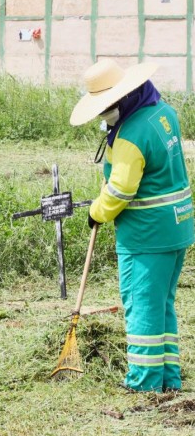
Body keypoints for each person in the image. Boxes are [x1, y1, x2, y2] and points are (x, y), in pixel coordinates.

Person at [70, 58, 194, 393]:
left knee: (141, 307)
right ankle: (169, 377)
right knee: (161, 305)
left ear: (122, 98)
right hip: (177, 227)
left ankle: (144, 382)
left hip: (146, 236)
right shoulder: (163, 112)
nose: (103, 114)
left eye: (106, 106)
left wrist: (98, 211)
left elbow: (121, 190)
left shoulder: (130, 136)